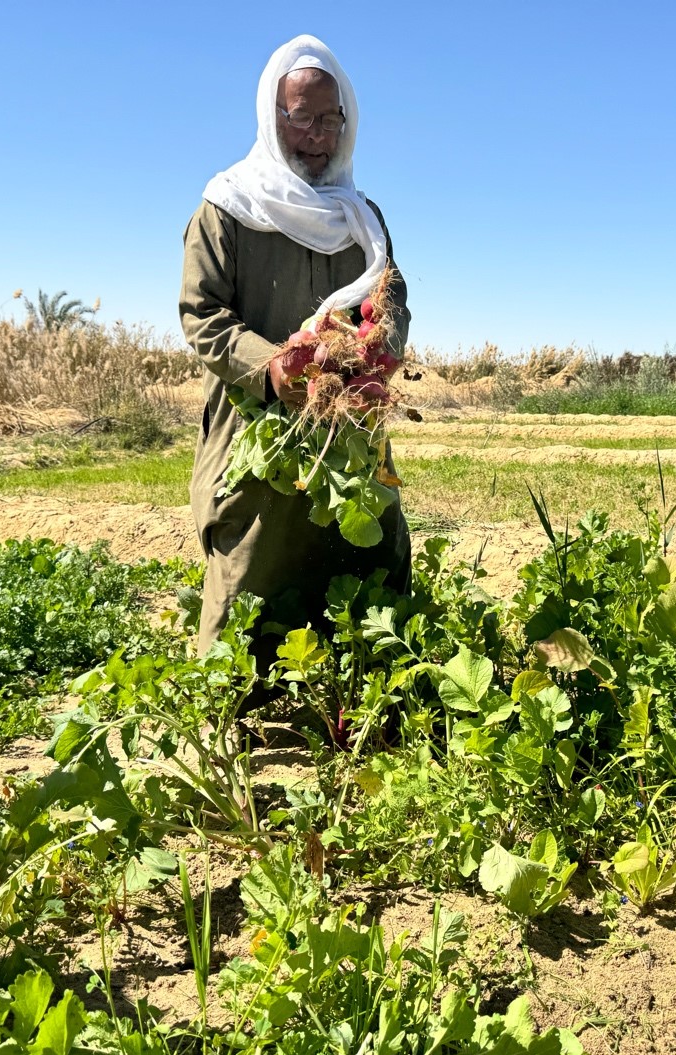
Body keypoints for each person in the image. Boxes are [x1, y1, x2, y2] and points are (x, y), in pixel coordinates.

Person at [180, 34, 411, 677]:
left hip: (349, 425)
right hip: (257, 424)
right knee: (254, 559)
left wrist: (375, 357)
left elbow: (391, 302)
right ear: (272, 118)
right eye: (302, 118)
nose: (317, 135)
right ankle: (235, 714)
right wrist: (275, 366)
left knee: (370, 546)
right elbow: (201, 314)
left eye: (330, 119)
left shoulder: (364, 219)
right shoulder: (227, 208)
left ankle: (366, 696)